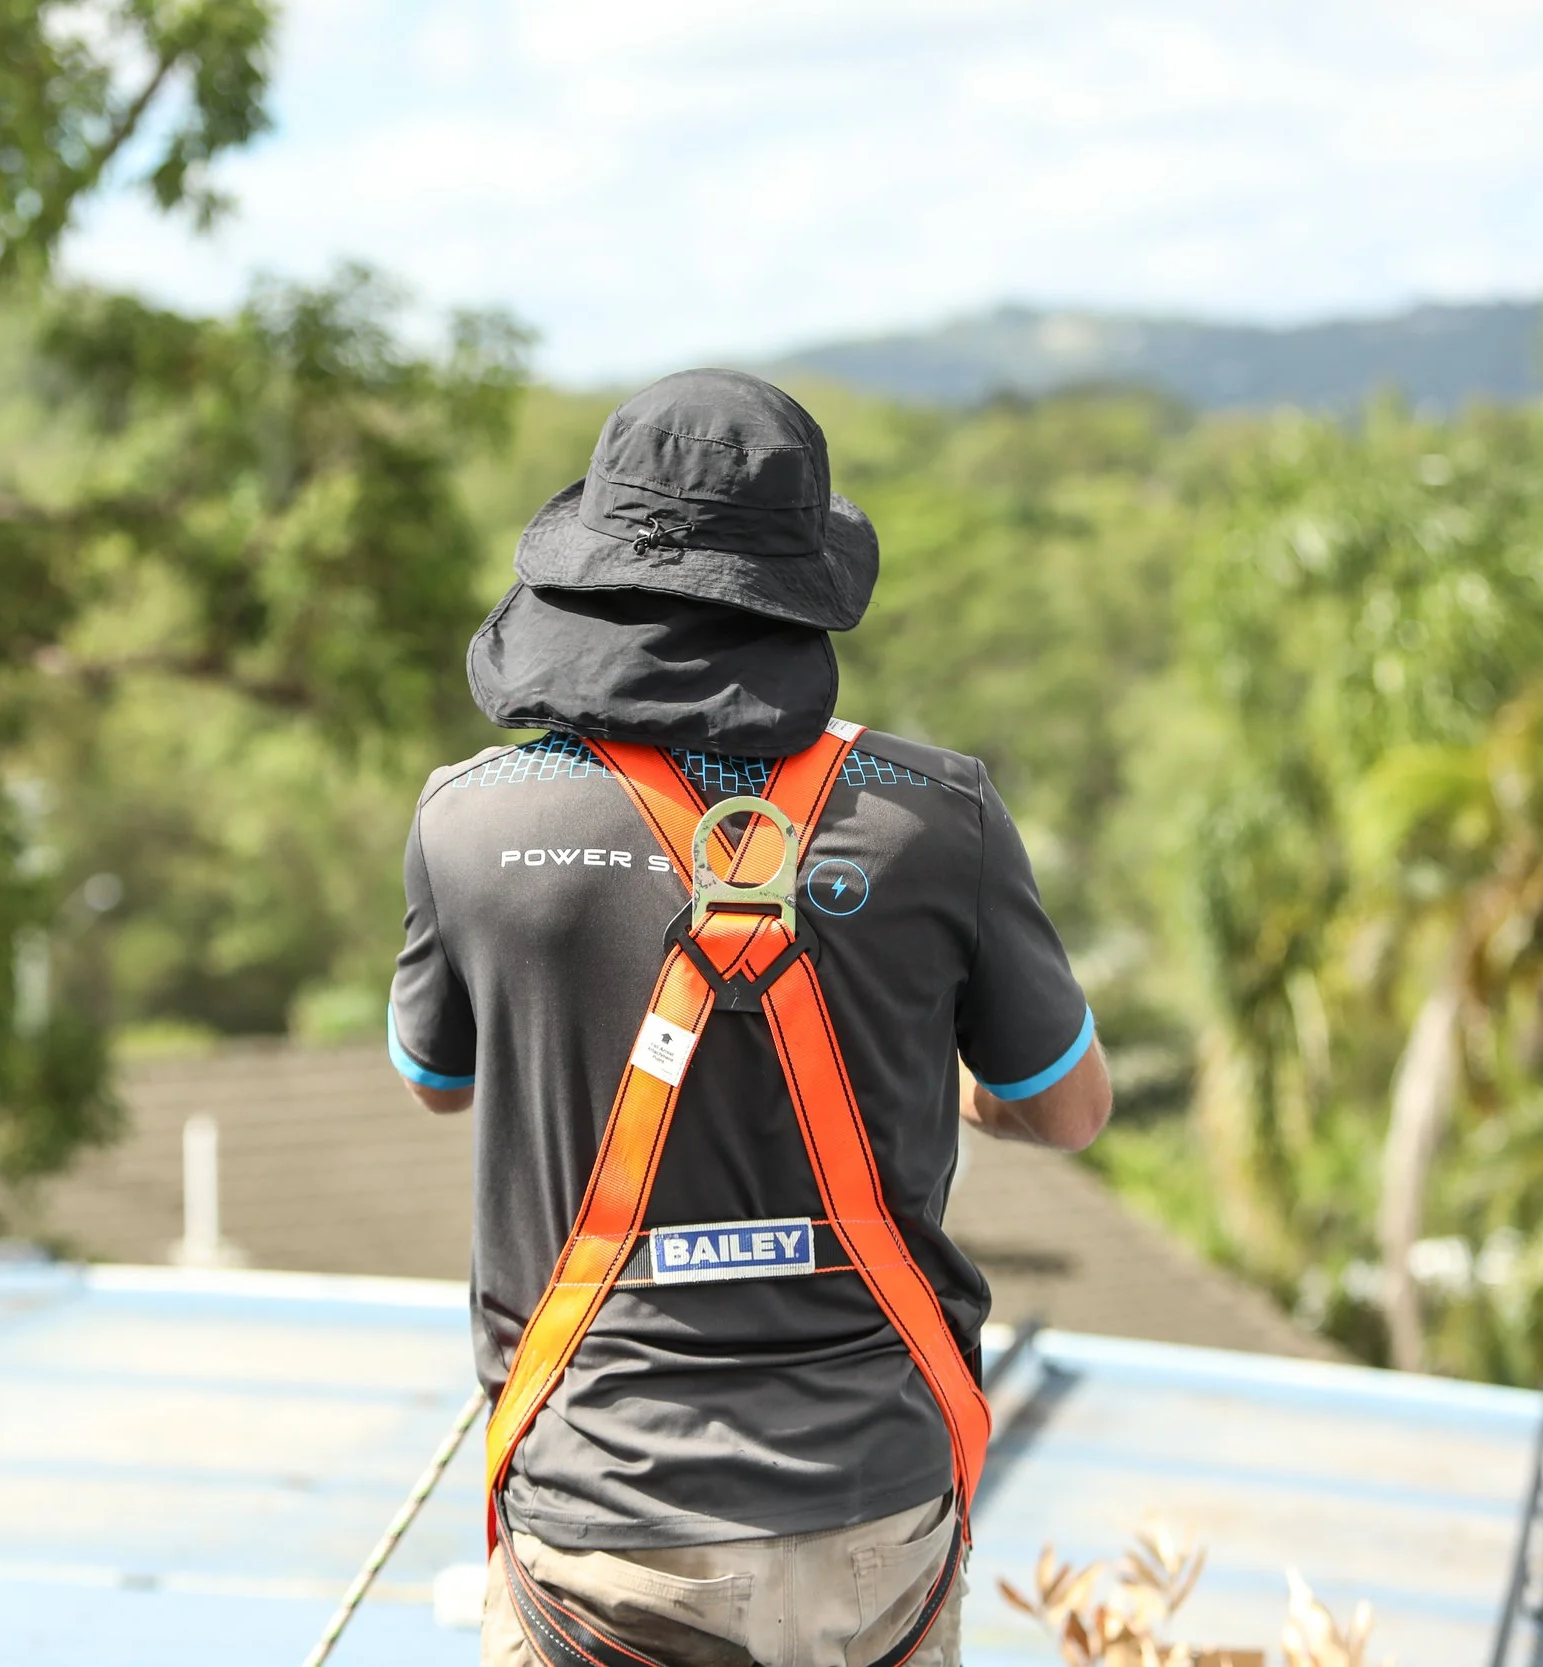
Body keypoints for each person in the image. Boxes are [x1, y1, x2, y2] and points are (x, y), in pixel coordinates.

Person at [387, 368, 1110, 1667]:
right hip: (871, 1522)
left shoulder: (472, 823)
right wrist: (948, 1073)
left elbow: (438, 1078)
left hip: (603, 1528)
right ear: (803, 592)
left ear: (590, 578)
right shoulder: (937, 816)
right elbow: (1068, 1107)